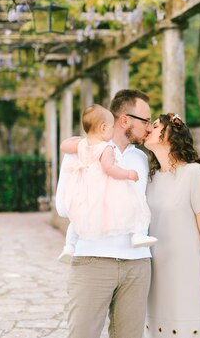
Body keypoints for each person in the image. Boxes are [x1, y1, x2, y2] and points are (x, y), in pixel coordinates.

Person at [55, 89, 155, 338]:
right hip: (93, 260)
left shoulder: (140, 159)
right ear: (125, 120)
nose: (149, 127)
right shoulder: (82, 150)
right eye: (145, 121)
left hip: (137, 264)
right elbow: (62, 206)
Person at [143, 112, 200, 338]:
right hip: (155, 271)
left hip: (189, 271)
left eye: (156, 126)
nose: (149, 129)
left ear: (170, 135)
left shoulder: (194, 173)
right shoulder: (151, 177)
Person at [57, 104, 157, 263]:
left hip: (83, 189)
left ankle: (69, 246)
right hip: (103, 187)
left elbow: (63, 146)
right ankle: (138, 235)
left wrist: (82, 139)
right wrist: (128, 174)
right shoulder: (107, 148)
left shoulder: (82, 144)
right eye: (111, 127)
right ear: (103, 128)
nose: (112, 131)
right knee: (134, 204)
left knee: (77, 219)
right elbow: (110, 168)